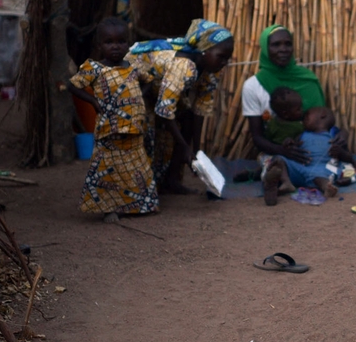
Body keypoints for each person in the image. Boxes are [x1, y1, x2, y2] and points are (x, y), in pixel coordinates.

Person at [242, 25, 355, 205]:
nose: (283, 49)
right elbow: (257, 137)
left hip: (312, 150)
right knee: (273, 163)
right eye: (276, 44)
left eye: (288, 44)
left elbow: (323, 122)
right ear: (265, 48)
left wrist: (341, 135)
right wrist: (283, 150)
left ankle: (299, 178)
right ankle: (275, 179)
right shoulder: (252, 86)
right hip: (279, 150)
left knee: (338, 164)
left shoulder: (307, 80)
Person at [127, 19, 234, 194]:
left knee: (188, 118)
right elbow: (164, 112)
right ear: (204, 51)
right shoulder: (183, 65)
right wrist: (185, 147)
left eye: (227, 58)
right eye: (221, 56)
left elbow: (200, 108)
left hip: (160, 86)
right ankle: (140, 189)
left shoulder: (211, 69)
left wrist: (197, 151)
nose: (224, 62)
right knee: (146, 127)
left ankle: (171, 179)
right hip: (136, 88)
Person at [67, 17, 158, 223]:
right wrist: (92, 100)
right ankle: (109, 209)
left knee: (137, 168)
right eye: (109, 42)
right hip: (109, 130)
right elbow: (73, 85)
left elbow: (149, 80)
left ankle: (138, 205)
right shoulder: (95, 69)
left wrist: (137, 98)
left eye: (121, 42)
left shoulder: (134, 66)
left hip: (134, 128)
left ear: (128, 43)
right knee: (108, 170)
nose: (116, 47)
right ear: (100, 45)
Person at [260, 90, 356, 204]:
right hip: (301, 168)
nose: (303, 116)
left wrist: (341, 152)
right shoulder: (302, 133)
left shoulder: (333, 133)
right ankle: (286, 183)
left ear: (322, 116)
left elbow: (348, 157)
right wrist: (288, 143)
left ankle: (326, 187)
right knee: (279, 159)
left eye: (307, 115)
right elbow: (293, 146)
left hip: (322, 168)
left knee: (322, 174)